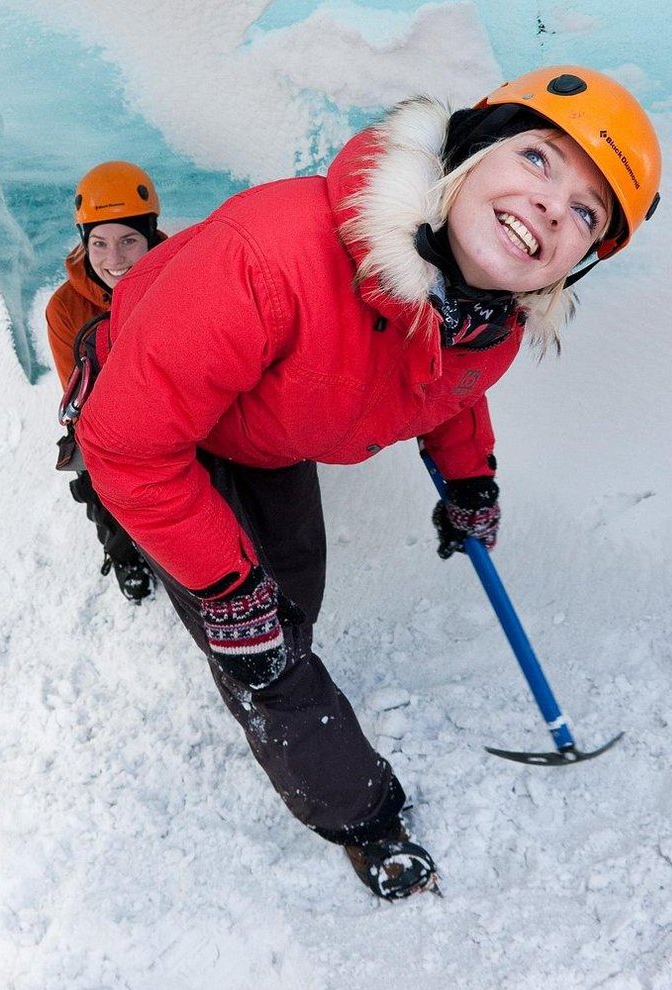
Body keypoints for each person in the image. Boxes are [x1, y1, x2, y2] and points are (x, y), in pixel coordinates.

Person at [75, 66, 660, 900]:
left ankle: (231, 606)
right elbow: (130, 443)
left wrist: (470, 483)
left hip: (266, 429)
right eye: (539, 159)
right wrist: (229, 591)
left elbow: (445, 387)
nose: (550, 207)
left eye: (585, 212)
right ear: (470, 150)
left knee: (289, 603)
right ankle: (363, 817)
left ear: (578, 263)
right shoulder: (271, 258)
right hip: (155, 425)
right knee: (261, 647)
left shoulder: (484, 321)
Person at [45, 161, 167, 603]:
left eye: (128, 241)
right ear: (85, 242)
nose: (113, 260)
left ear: (150, 236)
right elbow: (79, 398)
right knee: (98, 473)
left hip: (178, 415)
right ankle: (123, 552)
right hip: (111, 425)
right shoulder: (65, 308)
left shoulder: (179, 279)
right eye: (99, 243)